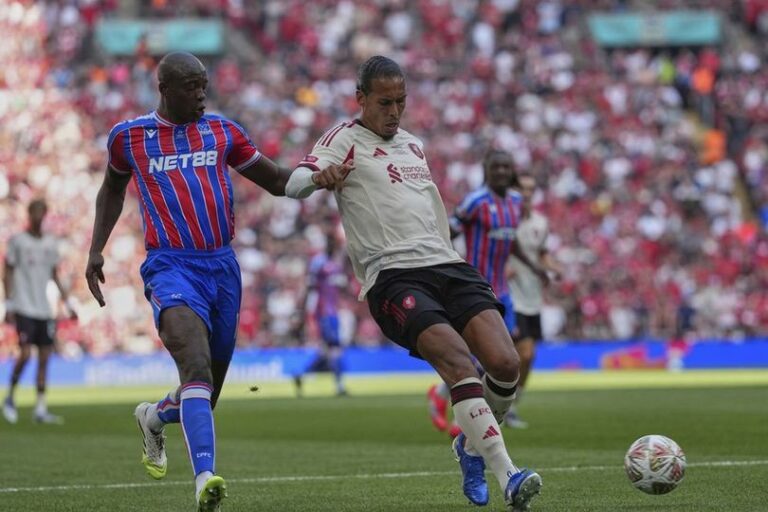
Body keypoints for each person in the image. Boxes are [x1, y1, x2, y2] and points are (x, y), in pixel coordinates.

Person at [84, 52, 350, 512]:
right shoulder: (129, 138)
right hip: (171, 265)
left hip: (222, 267)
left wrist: (318, 179)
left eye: (204, 84)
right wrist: (95, 249)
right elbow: (111, 187)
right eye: (191, 86)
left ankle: (153, 416)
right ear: (164, 89)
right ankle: (205, 477)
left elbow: (279, 182)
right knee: (196, 367)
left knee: (207, 391)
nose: (201, 94)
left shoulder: (224, 132)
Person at [283, 55, 542, 511]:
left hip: (447, 265)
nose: (394, 111)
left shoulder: (413, 145)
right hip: (393, 274)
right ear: (361, 99)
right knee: (460, 364)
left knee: (504, 365)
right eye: (385, 102)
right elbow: (294, 182)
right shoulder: (343, 138)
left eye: (401, 101)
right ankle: (509, 475)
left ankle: (468, 445)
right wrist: (319, 179)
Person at [428, 150, 545, 433]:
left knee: (512, 356)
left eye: (507, 167)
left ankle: (445, 397)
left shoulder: (516, 202)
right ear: (487, 170)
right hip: (476, 289)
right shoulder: (475, 202)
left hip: (503, 291)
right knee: (485, 357)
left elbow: (510, 239)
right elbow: (448, 232)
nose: (502, 172)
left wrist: (533, 266)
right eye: (497, 167)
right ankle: (465, 418)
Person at [2, 199, 75, 425]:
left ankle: (40, 409)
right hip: (24, 305)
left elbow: (55, 275)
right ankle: (10, 397)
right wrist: (9, 303)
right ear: (29, 214)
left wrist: (68, 303)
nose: (38, 217)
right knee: (24, 354)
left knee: (44, 358)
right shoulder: (18, 242)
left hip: (44, 309)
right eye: (35, 213)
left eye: (41, 213)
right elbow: (7, 272)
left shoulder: (50, 244)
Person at [505, 172, 562, 428]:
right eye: (522, 189)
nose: (526, 194)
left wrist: (553, 268)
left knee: (526, 357)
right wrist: (502, 267)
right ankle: (498, 405)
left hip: (532, 298)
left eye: (530, 189)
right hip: (508, 296)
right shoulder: (505, 218)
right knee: (519, 354)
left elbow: (542, 253)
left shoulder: (540, 222)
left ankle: (511, 406)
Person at [293, 234, 348, 397]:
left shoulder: (336, 264)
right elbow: (310, 286)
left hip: (333, 312)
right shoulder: (319, 262)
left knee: (327, 351)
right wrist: (303, 312)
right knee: (334, 349)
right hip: (324, 312)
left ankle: (301, 375)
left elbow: (337, 289)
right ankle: (339, 387)